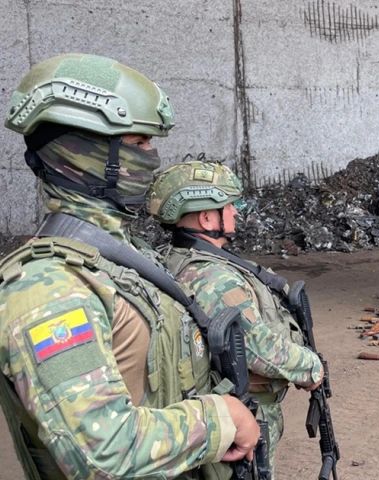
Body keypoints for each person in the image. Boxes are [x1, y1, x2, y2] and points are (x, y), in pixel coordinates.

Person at [0, 53, 260, 479]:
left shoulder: (119, 257)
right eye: (139, 144)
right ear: (85, 153)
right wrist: (221, 418)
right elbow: (102, 451)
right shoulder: (47, 288)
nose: (152, 159)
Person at [149, 161, 324, 477]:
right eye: (230, 206)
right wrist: (309, 366)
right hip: (242, 412)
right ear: (206, 217)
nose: (236, 213)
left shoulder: (174, 259)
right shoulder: (213, 277)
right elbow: (257, 347)